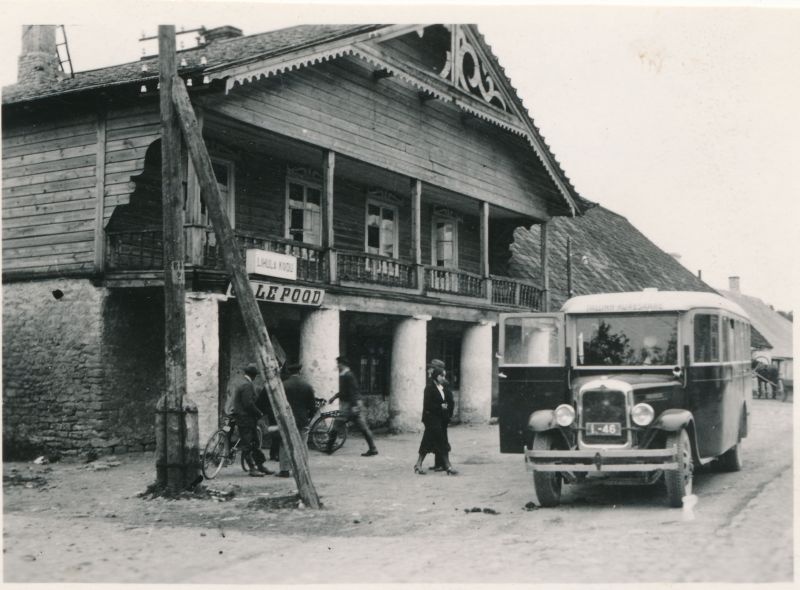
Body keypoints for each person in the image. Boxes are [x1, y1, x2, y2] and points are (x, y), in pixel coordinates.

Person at [327, 356, 379, 457]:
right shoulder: (345, 375)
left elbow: (353, 392)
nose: (337, 365)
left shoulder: (348, 375)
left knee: (336, 426)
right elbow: (344, 391)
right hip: (351, 405)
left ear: (342, 364)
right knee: (363, 428)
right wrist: (334, 397)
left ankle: (329, 448)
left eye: (338, 363)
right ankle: (373, 449)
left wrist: (354, 406)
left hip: (349, 406)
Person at [414, 366, 457, 475]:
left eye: (444, 376)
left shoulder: (443, 387)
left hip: (441, 419)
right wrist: (441, 406)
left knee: (427, 441)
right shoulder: (429, 388)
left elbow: (449, 402)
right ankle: (448, 466)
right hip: (431, 419)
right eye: (441, 375)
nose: (443, 378)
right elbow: (428, 405)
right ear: (435, 376)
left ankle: (418, 464)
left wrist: (447, 412)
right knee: (442, 441)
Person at [276, 362, 317, 477]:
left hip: (287, 418)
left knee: (285, 443)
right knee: (303, 444)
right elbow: (313, 407)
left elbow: (279, 404)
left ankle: (284, 470)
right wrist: (308, 417)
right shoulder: (307, 386)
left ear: (289, 372)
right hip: (303, 419)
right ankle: (302, 469)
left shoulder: (283, 385)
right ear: (300, 371)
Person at [232, 363, 273, 476]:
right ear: (254, 376)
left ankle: (260, 466)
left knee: (255, 443)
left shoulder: (242, 383)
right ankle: (252, 468)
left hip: (246, 418)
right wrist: (259, 412)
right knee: (248, 444)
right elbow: (248, 403)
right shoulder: (247, 385)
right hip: (245, 418)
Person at [427, 359, 454, 472]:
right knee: (437, 439)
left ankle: (443, 464)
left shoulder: (443, 383)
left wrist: (447, 415)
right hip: (436, 416)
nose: (429, 369)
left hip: (442, 416)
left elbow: (449, 401)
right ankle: (438, 463)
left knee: (441, 439)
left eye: (432, 367)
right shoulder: (434, 381)